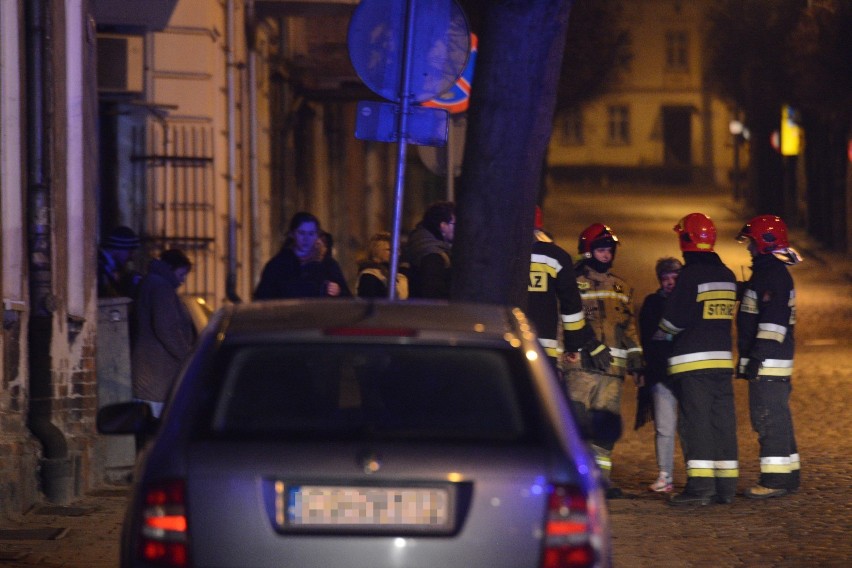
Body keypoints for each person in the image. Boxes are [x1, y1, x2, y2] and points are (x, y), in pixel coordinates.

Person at [660, 212, 738, 506]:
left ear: (685, 240)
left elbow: (673, 321)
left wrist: (662, 331)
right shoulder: (727, 275)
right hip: (721, 363)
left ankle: (700, 488)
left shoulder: (690, 276)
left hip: (692, 364)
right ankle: (725, 488)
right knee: (723, 423)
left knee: (697, 424)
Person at [564, 223, 642, 497]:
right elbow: (565, 324)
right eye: (601, 249)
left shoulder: (622, 287)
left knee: (605, 430)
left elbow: (629, 328)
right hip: (580, 369)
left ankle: (600, 480)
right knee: (576, 424)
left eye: (609, 250)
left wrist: (636, 360)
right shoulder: (571, 285)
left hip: (612, 372)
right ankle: (574, 481)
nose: (606, 254)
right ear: (587, 251)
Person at [735, 214, 803, 499]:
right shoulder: (769, 274)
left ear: (764, 243)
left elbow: (772, 323)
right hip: (775, 359)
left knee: (767, 419)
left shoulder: (771, 275)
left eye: (751, 242)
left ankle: (774, 480)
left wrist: (756, 358)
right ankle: (788, 475)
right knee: (779, 417)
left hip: (768, 361)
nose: (748, 248)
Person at [635, 257, 683, 494]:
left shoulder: (688, 301)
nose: (670, 283)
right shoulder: (652, 303)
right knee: (664, 428)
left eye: (675, 278)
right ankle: (665, 474)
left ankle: (697, 473)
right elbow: (647, 338)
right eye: (666, 279)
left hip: (686, 374)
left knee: (690, 427)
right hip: (659, 374)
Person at [131, 249, 197, 418]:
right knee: (157, 426)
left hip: (152, 374)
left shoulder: (153, 283)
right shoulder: (161, 287)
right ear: (169, 268)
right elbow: (167, 329)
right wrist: (187, 357)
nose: (182, 281)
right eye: (181, 274)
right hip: (158, 375)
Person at [527, 206, 585, 376]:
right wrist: (573, 345)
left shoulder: (496, 255)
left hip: (504, 348)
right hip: (544, 351)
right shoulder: (556, 257)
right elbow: (571, 305)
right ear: (539, 226)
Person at [254, 212, 351, 299]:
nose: (306, 239)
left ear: (317, 235)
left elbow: (347, 298)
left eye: (311, 234)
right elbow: (262, 297)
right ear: (292, 234)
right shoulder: (278, 265)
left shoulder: (328, 265)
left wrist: (338, 291)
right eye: (301, 233)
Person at [404, 201, 455, 299]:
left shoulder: (423, 245)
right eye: (455, 223)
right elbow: (433, 292)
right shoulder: (433, 254)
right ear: (443, 226)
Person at [356, 231, 409, 299]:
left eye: (398, 250)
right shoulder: (369, 276)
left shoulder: (401, 274)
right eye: (390, 250)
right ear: (376, 252)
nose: (397, 254)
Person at [97, 225, 142, 298]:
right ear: (118, 247)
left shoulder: (108, 267)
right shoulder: (98, 268)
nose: (131, 258)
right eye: (130, 252)